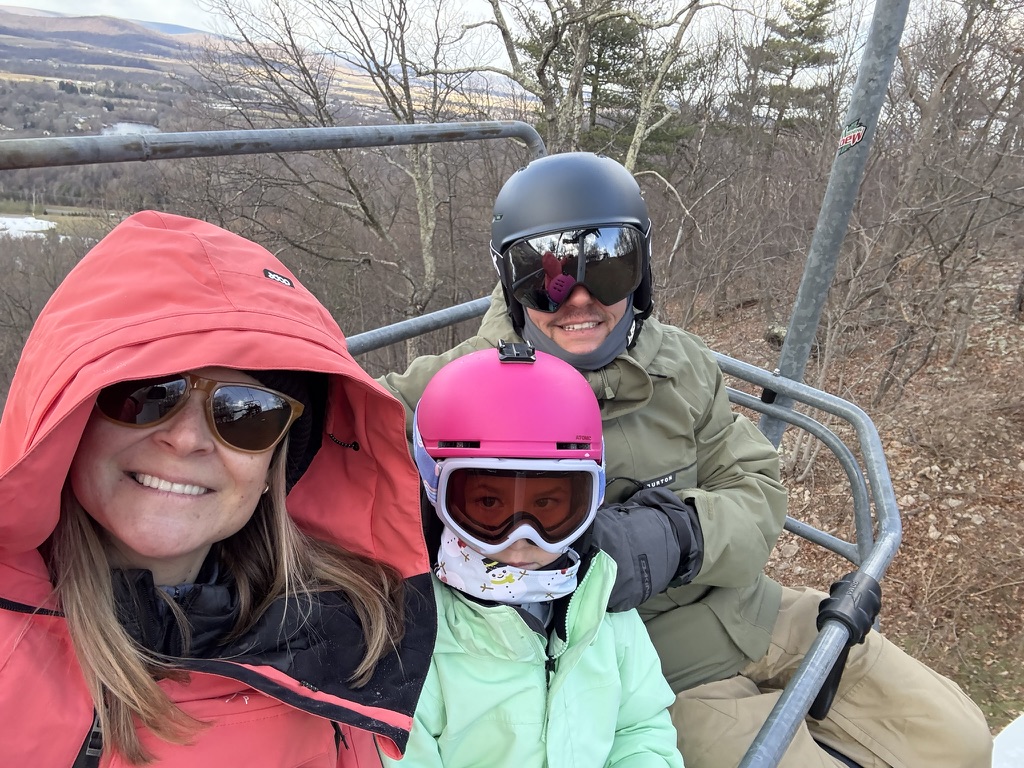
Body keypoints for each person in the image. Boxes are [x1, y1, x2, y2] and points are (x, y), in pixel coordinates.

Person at [379, 152, 993, 767]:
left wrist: (680, 534)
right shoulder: (449, 393)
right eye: (551, 279)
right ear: (512, 282)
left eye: (611, 270)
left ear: (641, 273)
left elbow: (757, 487)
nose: (581, 301)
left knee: (959, 740)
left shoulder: (680, 366)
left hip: (755, 610)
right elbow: (348, 446)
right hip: (650, 667)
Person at [0, 211, 435, 767]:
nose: (186, 439)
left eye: (245, 414)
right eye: (150, 393)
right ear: (74, 418)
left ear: (274, 467)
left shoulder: (341, 645)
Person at [380, 343, 682, 768]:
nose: (522, 539)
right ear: (435, 494)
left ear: (590, 499)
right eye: (489, 505)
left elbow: (639, 728)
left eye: (548, 507)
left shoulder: (602, 608)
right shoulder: (411, 634)